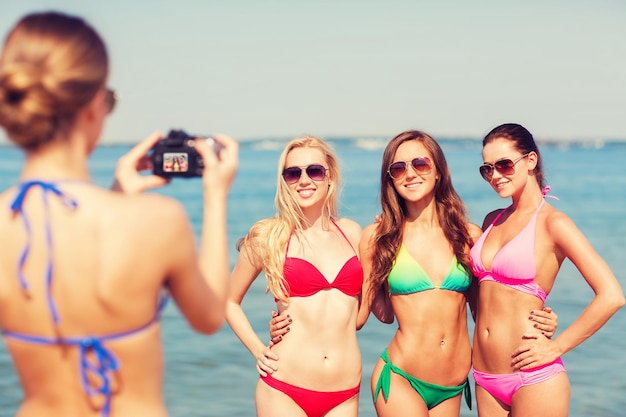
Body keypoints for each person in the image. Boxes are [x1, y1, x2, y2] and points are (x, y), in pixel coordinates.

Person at [0, 11, 238, 417]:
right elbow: (210, 315)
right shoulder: (156, 221)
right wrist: (215, 196)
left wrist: (115, 194)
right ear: (94, 106)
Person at [269, 130, 558, 417]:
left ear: (438, 172)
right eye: (398, 168)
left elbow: (485, 309)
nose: (410, 174)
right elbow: (368, 315)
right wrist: (293, 317)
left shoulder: (468, 235)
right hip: (400, 378)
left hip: (453, 385)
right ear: (390, 180)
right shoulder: (379, 237)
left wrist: (535, 318)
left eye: (420, 164)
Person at [470, 122, 624, 417]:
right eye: (487, 169)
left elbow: (612, 295)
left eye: (503, 165)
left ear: (530, 161)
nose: (495, 176)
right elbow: (483, 296)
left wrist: (558, 346)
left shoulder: (554, 224)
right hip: (485, 377)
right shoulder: (492, 220)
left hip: (534, 377)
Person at [226, 136, 363, 417]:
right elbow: (228, 301)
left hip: (345, 393)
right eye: (293, 173)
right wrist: (257, 349)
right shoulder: (269, 237)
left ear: (330, 177)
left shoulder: (352, 233)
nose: (304, 180)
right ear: (284, 181)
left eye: (314, 170)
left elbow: (359, 314)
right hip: (284, 388)